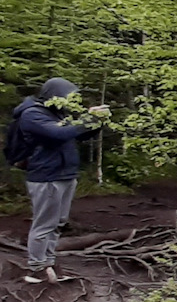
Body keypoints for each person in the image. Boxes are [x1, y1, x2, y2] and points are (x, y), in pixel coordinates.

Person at [6, 78, 109, 284]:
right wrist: (88, 118)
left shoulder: (56, 113)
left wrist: (97, 121)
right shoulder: (32, 114)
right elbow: (60, 133)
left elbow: (77, 135)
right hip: (46, 176)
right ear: (55, 94)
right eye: (68, 95)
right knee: (44, 224)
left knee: (57, 223)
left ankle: (49, 264)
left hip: (64, 174)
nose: (70, 100)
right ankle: (36, 268)